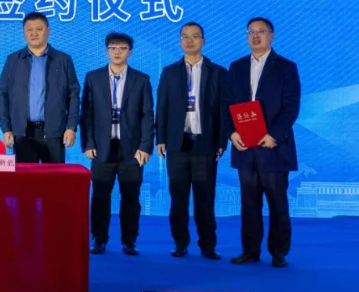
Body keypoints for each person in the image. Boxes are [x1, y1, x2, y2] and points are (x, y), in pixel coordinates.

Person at [225, 17, 300, 268]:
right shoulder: (236, 67)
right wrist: (231, 133)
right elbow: (227, 104)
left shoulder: (286, 67)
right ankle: (250, 250)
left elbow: (291, 107)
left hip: (273, 147)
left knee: (277, 202)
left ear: (272, 36)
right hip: (244, 147)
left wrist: (274, 135)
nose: (256, 36)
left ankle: (279, 252)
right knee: (249, 203)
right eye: (251, 32)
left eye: (261, 31)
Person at [156, 22, 226, 260]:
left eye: (195, 36)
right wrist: (161, 138)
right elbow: (162, 107)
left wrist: (221, 141)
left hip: (205, 144)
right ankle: (180, 243)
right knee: (178, 199)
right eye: (185, 36)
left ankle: (208, 245)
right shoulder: (169, 72)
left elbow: (224, 111)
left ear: (203, 41)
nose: (189, 40)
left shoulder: (218, 72)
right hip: (177, 144)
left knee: (205, 198)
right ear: (180, 41)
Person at [82, 32, 153, 256]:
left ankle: (129, 241)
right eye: (113, 48)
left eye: (122, 48)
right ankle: (99, 239)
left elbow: (147, 115)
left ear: (130, 52)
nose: (117, 52)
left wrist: (145, 146)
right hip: (101, 148)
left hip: (131, 149)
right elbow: (87, 114)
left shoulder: (141, 79)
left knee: (130, 197)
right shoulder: (93, 78)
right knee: (100, 197)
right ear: (106, 51)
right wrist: (88, 143)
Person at [0, 12, 80, 163]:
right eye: (29, 30)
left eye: (39, 29)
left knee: (55, 177)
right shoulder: (13, 60)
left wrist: (71, 127)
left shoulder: (63, 60)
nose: (34, 33)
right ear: (24, 32)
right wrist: (6, 128)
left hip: (54, 132)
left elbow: (73, 95)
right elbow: (3, 94)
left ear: (48, 31)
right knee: (25, 177)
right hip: (22, 133)